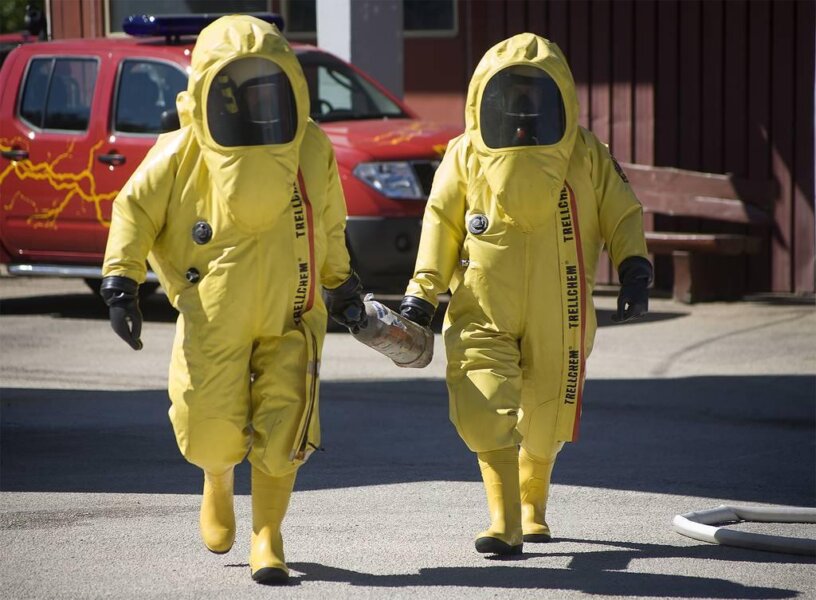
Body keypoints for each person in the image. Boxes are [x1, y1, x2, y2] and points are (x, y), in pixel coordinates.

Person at [100, 15, 365, 584]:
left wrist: (341, 283)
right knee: (207, 425)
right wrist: (121, 281)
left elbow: (329, 222)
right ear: (209, 90)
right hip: (213, 314)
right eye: (239, 87)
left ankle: (268, 536)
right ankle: (217, 477)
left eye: (266, 86)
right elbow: (134, 210)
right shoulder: (182, 151)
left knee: (287, 424)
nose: (256, 101)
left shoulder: (308, 147)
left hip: (294, 312)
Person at [400, 33, 652, 556]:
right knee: (480, 400)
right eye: (511, 95)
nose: (521, 108)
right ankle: (505, 522)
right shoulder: (465, 154)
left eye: (533, 95)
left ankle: (533, 503)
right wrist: (422, 294)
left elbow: (621, 210)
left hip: (561, 309)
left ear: (558, 97)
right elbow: (440, 222)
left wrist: (634, 266)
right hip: (482, 304)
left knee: (545, 415)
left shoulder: (585, 154)